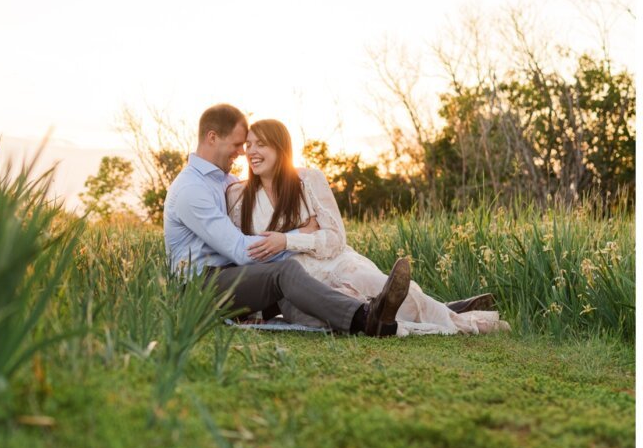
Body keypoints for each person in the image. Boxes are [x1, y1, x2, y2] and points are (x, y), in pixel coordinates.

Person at [227, 118, 510, 336]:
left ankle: (459, 320)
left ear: (280, 147)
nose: (252, 151)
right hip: (299, 283)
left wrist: (287, 242)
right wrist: (303, 231)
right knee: (339, 311)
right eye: (249, 144)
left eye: (260, 144)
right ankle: (454, 311)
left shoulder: (308, 180)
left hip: (335, 263)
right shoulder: (239, 197)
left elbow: (335, 238)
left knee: (388, 291)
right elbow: (242, 250)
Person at [164, 103, 410, 337]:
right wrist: (297, 236)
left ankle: (427, 312)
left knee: (309, 284)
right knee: (285, 272)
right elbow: (239, 250)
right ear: (212, 137)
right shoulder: (190, 190)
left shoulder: (226, 182)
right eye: (238, 144)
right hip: (201, 286)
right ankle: (365, 318)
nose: (242, 153)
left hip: (236, 276)